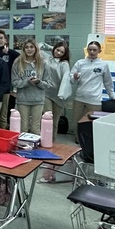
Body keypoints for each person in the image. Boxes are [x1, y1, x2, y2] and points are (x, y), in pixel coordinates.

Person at [40, 39, 71, 181]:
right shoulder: (48, 58)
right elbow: (39, 46)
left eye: (62, 52)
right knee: (47, 119)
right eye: (57, 50)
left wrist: (62, 95)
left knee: (55, 123)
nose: (58, 53)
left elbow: (65, 80)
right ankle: (44, 147)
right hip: (47, 94)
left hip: (59, 97)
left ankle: (50, 147)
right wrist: (53, 46)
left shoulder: (64, 64)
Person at [70, 40, 115, 128]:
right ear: (87, 50)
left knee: (92, 123)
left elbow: (108, 82)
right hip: (79, 98)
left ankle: (90, 141)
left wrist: (113, 96)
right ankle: (78, 139)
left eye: (94, 50)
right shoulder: (80, 63)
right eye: (90, 49)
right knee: (77, 121)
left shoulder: (103, 65)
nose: (92, 52)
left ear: (99, 51)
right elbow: (71, 79)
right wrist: (74, 77)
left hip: (94, 100)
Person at [10, 39, 50, 134]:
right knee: (23, 128)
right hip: (23, 100)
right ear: (23, 49)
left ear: (35, 49)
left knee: (35, 128)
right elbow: (14, 82)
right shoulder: (17, 62)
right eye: (27, 47)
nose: (29, 49)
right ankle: (23, 148)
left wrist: (38, 82)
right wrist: (26, 81)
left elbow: (47, 84)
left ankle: (34, 148)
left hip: (38, 100)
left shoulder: (43, 63)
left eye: (31, 47)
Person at [0, 30, 19, 129]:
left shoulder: (10, 53)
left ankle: (2, 134)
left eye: (1, 38)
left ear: (5, 40)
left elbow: (21, 57)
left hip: (5, 88)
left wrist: (9, 51)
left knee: (3, 115)